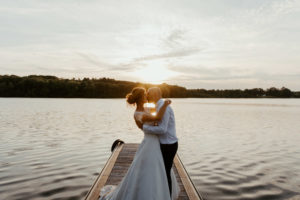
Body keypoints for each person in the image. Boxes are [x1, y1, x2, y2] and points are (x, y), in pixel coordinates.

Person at [99, 87, 179, 200]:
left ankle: (162, 193)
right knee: (147, 169)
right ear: (141, 97)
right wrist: (165, 104)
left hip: (157, 142)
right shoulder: (137, 113)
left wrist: (164, 106)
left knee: (160, 168)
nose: (147, 95)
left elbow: (156, 120)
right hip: (149, 142)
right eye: (145, 94)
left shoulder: (148, 109)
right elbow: (156, 119)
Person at [142, 87, 179, 197]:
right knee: (162, 172)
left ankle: (168, 197)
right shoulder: (159, 106)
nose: (147, 96)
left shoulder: (164, 107)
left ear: (154, 94)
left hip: (168, 145)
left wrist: (146, 128)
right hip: (163, 144)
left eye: (148, 94)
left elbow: (162, 129)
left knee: (165, 172)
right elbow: (158, 123)